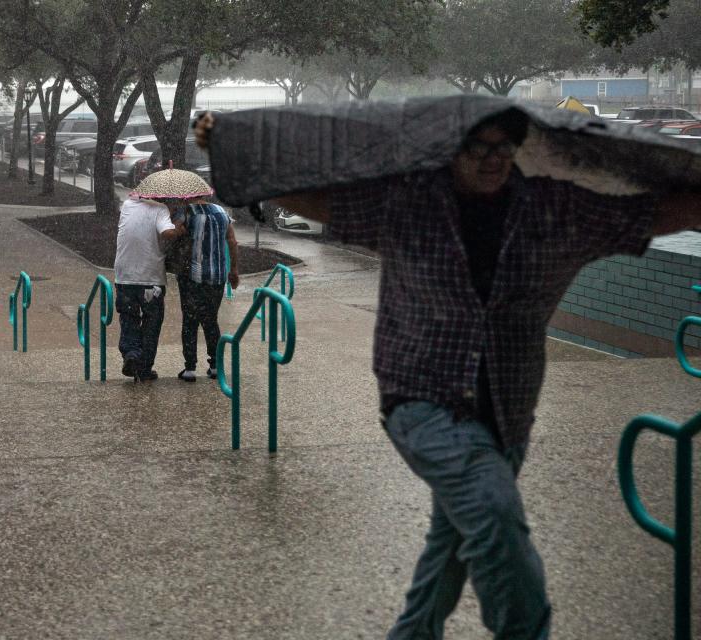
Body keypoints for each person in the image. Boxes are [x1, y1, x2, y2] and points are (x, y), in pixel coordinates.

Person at [194, 108, 701, 639]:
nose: (491, 159)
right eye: (477, 148)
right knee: (494, 514)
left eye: (503, 147)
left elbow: (650, 214)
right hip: (422, 400)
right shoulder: (411, 204)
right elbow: (323, 200)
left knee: (451, 550)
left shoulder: (556, 212)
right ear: (450, 152)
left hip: (506, 413)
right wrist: (234, 148)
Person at [114, 195, 186, 382]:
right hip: (150, 278)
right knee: (151, 322)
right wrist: (178, 228)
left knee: (128, 317)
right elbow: (167, 233)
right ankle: (144, 367)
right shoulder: (160, 209)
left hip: (124, 276)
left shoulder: (128, 204)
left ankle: (131, 353)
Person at [172, 197, 240, 382]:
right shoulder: (221, 212)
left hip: (192, 277)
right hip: (216, 277)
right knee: (211, 320)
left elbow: (175, 234)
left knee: (190, 321)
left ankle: (190, 368)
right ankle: (216, 365)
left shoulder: (186, 212)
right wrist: (233, 270)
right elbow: (232, 241)